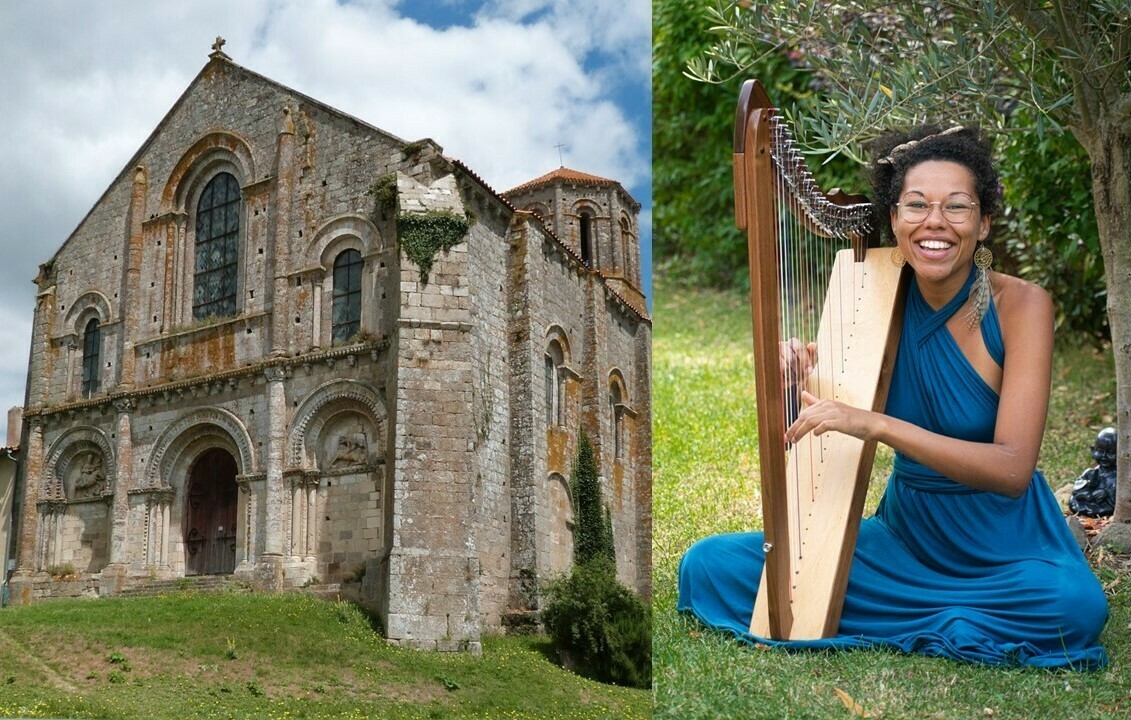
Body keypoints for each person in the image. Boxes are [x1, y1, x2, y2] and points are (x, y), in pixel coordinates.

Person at [678, 125, 1109, 669]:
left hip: (1006, 545)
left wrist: (876, 425)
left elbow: (1012, 469)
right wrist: (792, 385)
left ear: (983, 224)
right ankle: (949, 617)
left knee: (1074, 608)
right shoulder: (872, 299)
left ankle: (929, 614)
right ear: (893, 219)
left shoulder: (1022, 306)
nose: (935, 222)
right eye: (915, 206)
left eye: (957, 207)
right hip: (907, 539)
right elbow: (809, 434)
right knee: (706, 564)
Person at [1069, 427, 1117, 517]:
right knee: (1073, 501)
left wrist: (1105, 493)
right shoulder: (1091, 473)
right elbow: (1076, 491)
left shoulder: (1118, 477)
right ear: (1093, 450)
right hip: (1089, 503)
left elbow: (1119, 500)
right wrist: (1087, 494)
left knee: (1108, 508)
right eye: (1100, 451)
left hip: (1106, 506)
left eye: (1110, 452)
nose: (1104, 456)